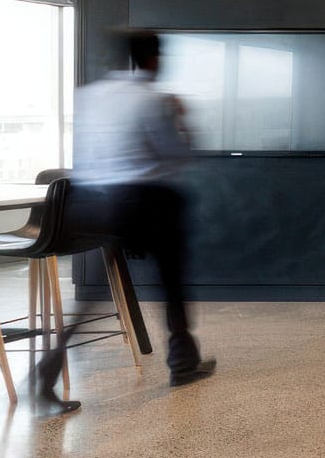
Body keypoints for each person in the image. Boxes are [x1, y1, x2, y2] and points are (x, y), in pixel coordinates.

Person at [42, 31, 215, 407]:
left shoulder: (89, 96)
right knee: (171, 278)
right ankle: (183, 362)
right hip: (145, 200)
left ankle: (49, 370)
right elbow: (179, 155)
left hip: (90, 202)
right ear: (154, 58)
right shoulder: (153, 100)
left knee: (97, 293)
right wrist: (184, 119)